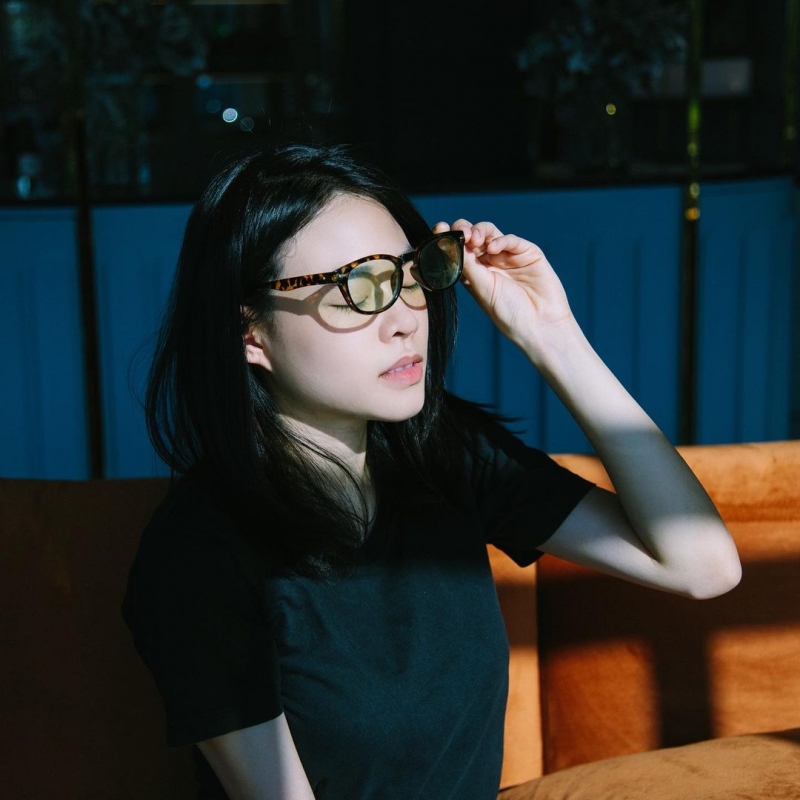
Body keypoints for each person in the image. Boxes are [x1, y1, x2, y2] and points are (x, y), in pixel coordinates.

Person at [122, 143, 741, 800]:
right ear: (250, 334)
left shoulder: (442, 455)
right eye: (358, 288)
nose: (404, 320)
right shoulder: (196, 554)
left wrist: (552, 335)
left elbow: (702, 567)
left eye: (410, 275)